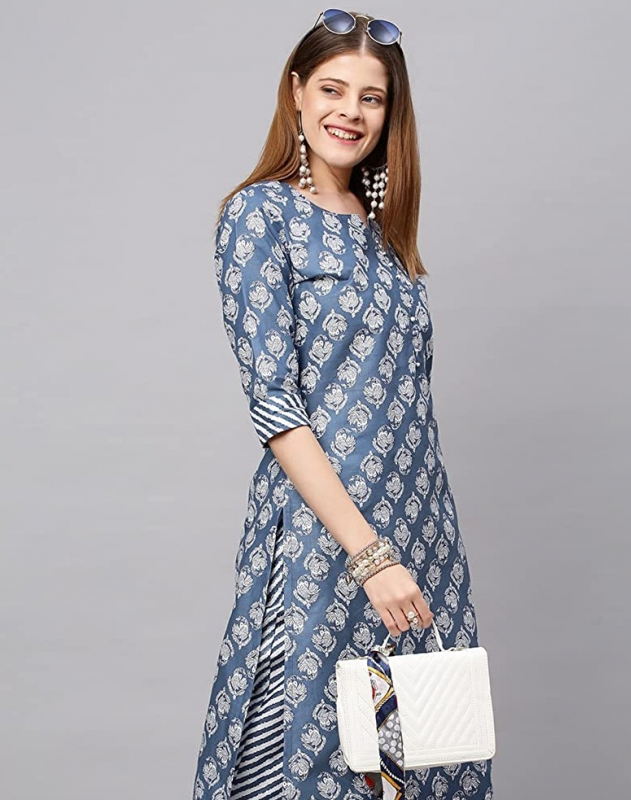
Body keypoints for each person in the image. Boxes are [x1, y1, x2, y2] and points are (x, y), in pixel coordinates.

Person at [192, 10, 494, 800]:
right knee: (309, 757)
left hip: (420, 536)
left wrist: (406, 552)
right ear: (296, 92)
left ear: (390, 113)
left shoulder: (389, 239)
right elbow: (276, 408)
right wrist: (369, 556)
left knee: (413, 761)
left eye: (371, 97)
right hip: (326, 541)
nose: (349, 112)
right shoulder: (258, 216)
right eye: (332, 89)